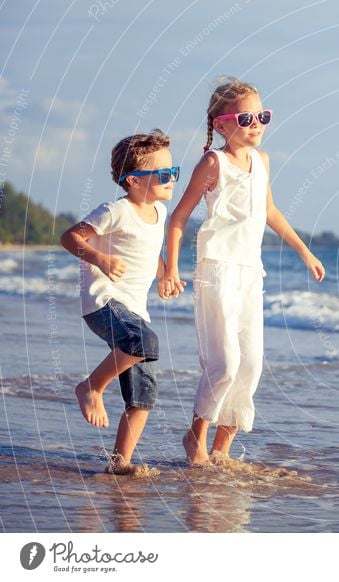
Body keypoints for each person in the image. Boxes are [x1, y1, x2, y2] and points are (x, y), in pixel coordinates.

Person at [163, 77, 325, 466]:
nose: (256, 124)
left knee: (250, 367)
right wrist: (169, 268)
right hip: (216, 270)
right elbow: (178, 218)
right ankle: (195, 436)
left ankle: (222, 449)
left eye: (262, 116)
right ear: (221, 125)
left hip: (251, 273)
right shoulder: (213, 162)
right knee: (224, 364)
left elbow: (268, 211)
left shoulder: (263, 161)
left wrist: (305, 251)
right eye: (247, 117)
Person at [61, 129, 178, 475]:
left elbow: (150, 249)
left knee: (144, 394)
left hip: (134, 311)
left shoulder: (158, 212)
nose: (171, 179)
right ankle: (91, 386)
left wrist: (165, 274)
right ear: (133, 181)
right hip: (103, 302)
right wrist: (99, 259)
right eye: (163, 174)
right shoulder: (115, 211)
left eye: (174, 172)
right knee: (145, 341)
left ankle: (119, 463)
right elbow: (70, 237)